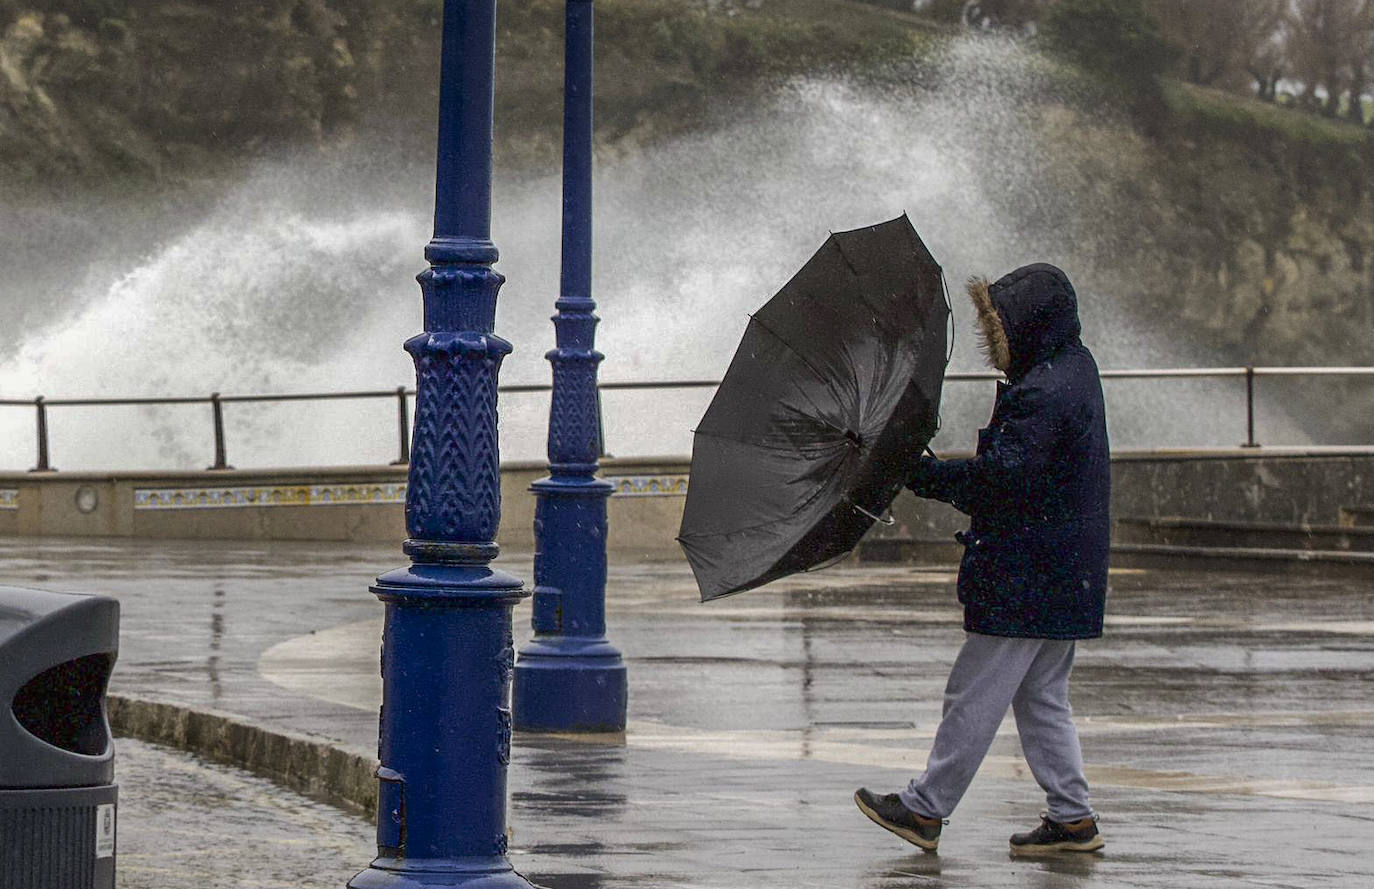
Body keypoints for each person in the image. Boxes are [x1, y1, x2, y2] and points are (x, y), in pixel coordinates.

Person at [853, 262, 1110, 856]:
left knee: (974, 692)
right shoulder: (1074, 369)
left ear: (1029, 324)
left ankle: (924, 809)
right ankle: (1072, 819)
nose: (994, 338)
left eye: (1000, 324)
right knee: (1043, 696)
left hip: (1030, 570)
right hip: (1064, 568)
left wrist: (925, 475)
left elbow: (1003, 480)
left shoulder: (1044, 391)